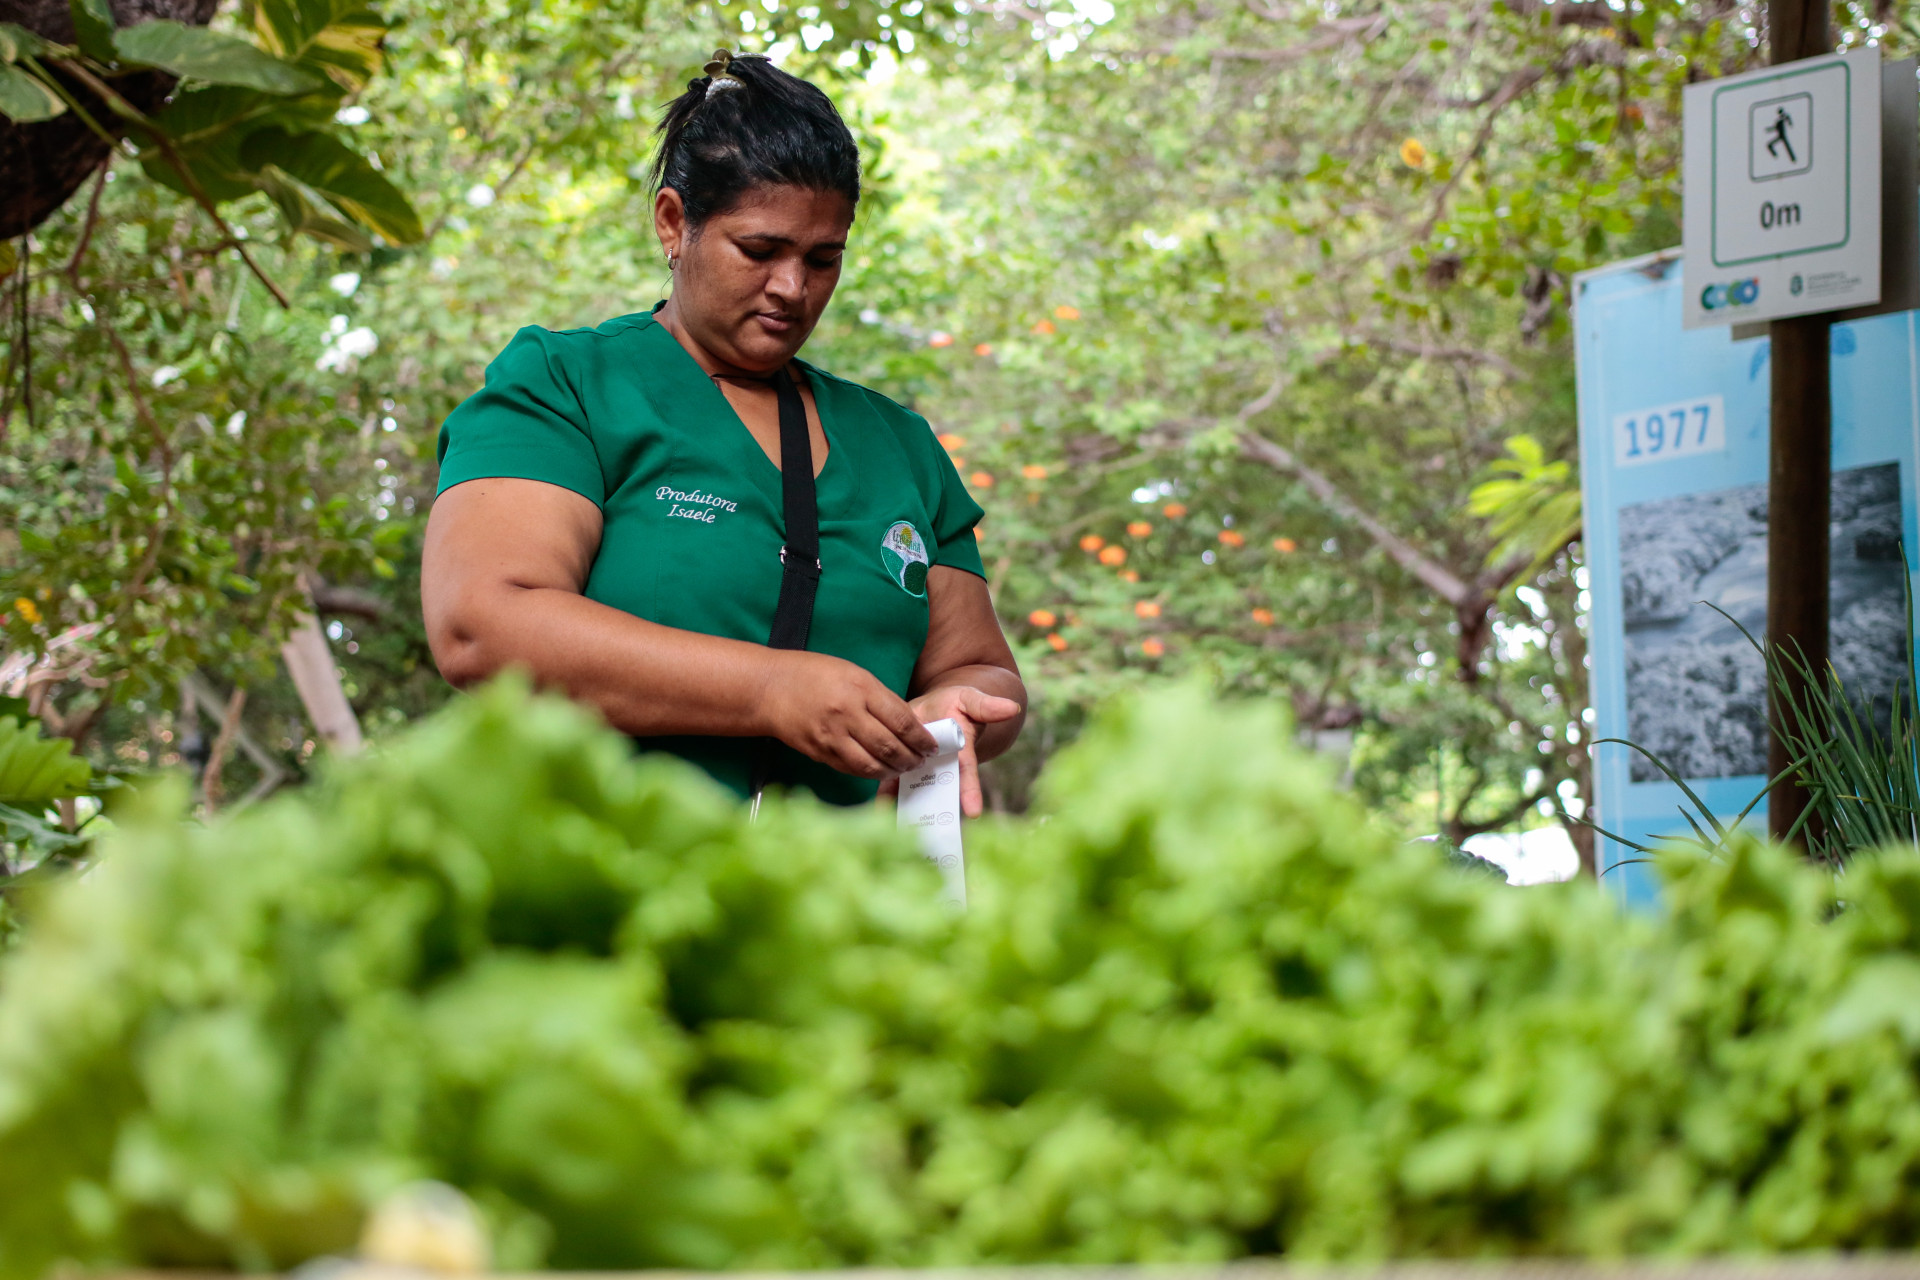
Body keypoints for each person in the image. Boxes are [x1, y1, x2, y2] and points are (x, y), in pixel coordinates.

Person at [421, 51, 1025, 812]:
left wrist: (954, 712)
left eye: (823, 259)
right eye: (760, 250)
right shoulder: (566, 383)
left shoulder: (898, 444)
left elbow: (983, 670)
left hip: (838, 879)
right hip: (602, 869)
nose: (792, 288)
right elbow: (481, 625)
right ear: (674, 223)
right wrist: (771, 689)